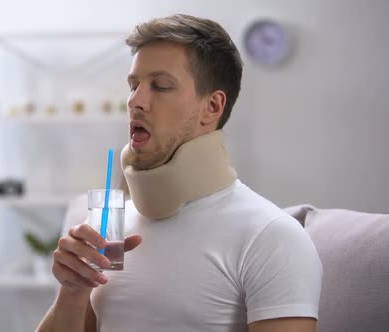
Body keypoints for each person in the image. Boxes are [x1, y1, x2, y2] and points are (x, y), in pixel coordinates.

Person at [37, 14, 322, 332]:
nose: (135, 101)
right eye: (133, 86)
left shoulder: (271, 239)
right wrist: (72, 293)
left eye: (160, 86)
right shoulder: (105, 231)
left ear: (212, 107)